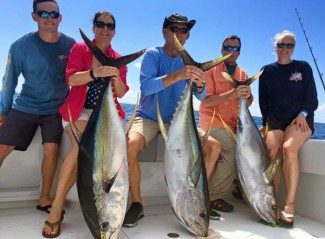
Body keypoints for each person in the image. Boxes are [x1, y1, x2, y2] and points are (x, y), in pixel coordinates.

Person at [122, 13, 216, 228]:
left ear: (188, 36)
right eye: (175, 29)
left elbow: (202, 96)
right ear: (165, 31)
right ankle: (137, 203)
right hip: (148, 118)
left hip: (177, 122)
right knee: (129, 147)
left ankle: (197, 195)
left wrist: (200, 84)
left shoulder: (189, 62)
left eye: (184, 30)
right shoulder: (153, 55)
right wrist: (178, 75)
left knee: (214, 147)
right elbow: (146, 87)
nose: (179, 34)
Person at [42, 11, 129, 237]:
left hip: (106, 115)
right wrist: (95, 72)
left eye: (110, 26)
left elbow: (121, 92)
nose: (105, 29)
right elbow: (71, 79)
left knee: (121, 152)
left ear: (114, 31)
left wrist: (116, 77)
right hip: (77, 112)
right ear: (93, 28)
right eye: (100, 24)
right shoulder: (80, 49)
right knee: (81, 147)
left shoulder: (118, 59)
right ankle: (56, 208)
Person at [0, 0, 75, 215]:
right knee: (3, 147)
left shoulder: (71, 45)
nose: (49, 18)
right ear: (34, 16)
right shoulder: (19, 46)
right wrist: (3, 111)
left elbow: (80, 75)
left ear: (60, 17)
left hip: (56, 110)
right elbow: (9, 81)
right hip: (25, 106)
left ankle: (44, 198)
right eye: (43, 13)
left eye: (54, 14)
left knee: (51, 150)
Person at [259, 30, 318, 227]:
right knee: (272, 151)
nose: (285, 49)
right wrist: (264, 124)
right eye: (281, 45)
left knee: (288, 149)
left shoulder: (303, 67)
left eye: (289, 45)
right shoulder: (266, 71)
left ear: (293, 48)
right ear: (275, 47)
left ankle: (289, 206)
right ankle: (271, 202)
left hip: (299, 119)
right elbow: (263, 102)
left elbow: (312, 99)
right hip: (275, 119)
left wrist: (303, 114)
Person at [199, 35, 253, 219]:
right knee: (232, 149)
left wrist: (248, 96)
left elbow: (247, 103)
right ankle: (212, 196)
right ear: (221, 49)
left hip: (233, 125)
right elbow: (206, 102)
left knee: (255, 148)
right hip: (212, 122)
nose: (231, 51)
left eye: (235, 48)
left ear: (240, 52)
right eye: (227, 47)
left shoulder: (243, 75)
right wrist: (231, 94)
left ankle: (239, 186)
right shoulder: (210, 70)